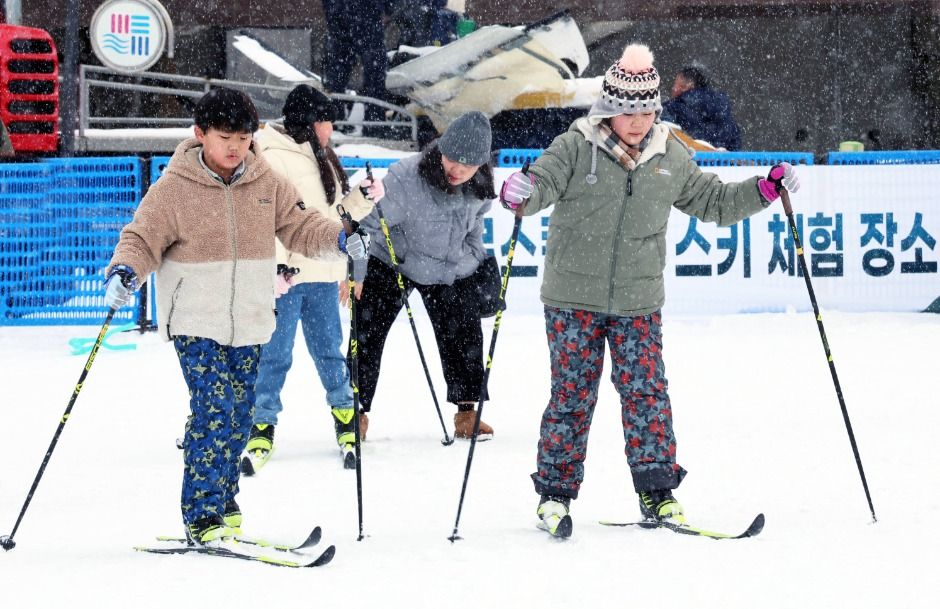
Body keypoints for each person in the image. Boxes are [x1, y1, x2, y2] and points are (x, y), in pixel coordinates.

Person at [499, 44, 799, 538]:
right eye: (626, 111)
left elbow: (713, 201)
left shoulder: (669, 154)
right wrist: (522, 193)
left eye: (645, 111)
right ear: (608, 109)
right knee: (572, 396)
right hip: (572, 299)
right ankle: (553, 494)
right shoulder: (574, 145)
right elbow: (541, 183)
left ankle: (658, 492)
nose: (637, 122)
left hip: (638, 300)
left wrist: (762, 190)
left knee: (647, 395)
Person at [102, 87, 371, 546]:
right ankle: (201, 513)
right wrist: (125, 270)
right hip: (195, 318)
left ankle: (224, 502)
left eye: (244, 139)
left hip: (249, 317)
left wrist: (339, 239)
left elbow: (301, 225)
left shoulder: (266, 182)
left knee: (240, 415)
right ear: (200, 134)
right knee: (215, 407)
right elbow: (142, 237)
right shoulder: (174, 187)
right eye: (224, 137)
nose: (235, 147)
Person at [242, 84, 383, 473]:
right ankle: (261, 424)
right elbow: (267, 217)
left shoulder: (320, 155)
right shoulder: (271, 154)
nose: (331, 129)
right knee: (275, 354)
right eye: (327, 121)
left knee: (329, 352)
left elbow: (332, 218)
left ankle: (345, 416)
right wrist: (274, 266)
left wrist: (363, 197)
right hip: (286, 278)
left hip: (321, 271)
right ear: (309, 121)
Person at [350, 111, 498, 440]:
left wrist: (475, 263)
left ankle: (467, 412)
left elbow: (475, 230)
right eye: (453, 158)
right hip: (391, 261)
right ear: (441, 149)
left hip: (447, 265)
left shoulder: (479, 187)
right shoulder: (405, 177)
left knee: (465, 334)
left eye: (469, 164)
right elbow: (367, 224)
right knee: (367, 332)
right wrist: (357, 275)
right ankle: (353, 413)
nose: (458, 169)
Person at [321, 0, 391, 133]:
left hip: (341, 14)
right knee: (374, 74)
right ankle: (374, 124)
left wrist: (332, 11)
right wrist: (386, 8)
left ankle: (334, 122)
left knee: (337, 73)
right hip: (367, 13)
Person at [661, 65, 741, 151]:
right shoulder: (722, 109)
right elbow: (735, 142)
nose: (673, 88)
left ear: (688, 86)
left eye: (676, 84)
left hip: (690, 158)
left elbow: (663, 131)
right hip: (722, 159)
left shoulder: (674, 108)